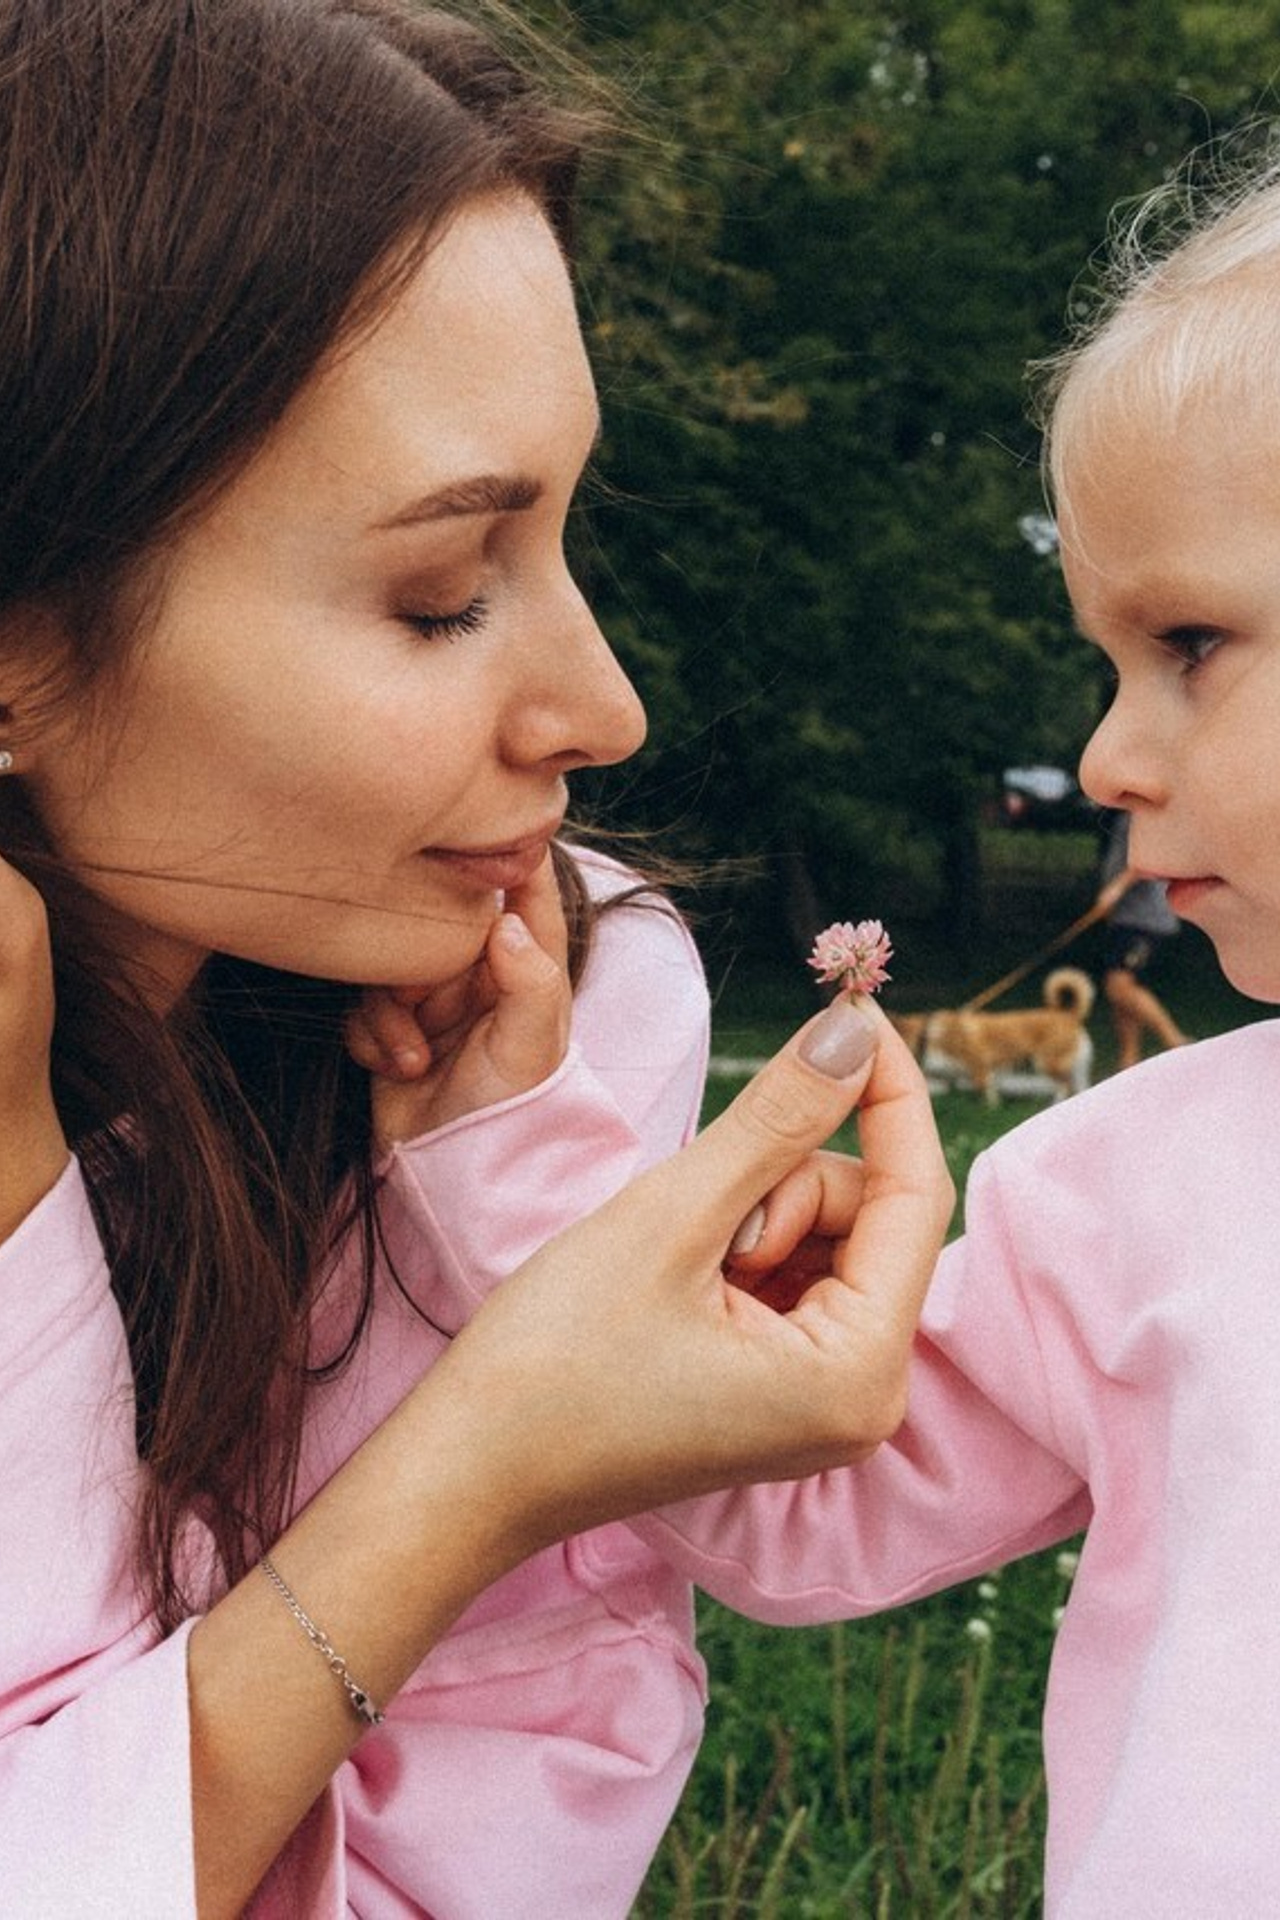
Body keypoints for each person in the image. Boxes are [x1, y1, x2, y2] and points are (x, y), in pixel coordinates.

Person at [0, 6, 956, 1915]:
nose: (604, 706)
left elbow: (495, 1857)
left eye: (571, 537)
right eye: (443, 599)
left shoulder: (550, 1044)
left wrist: (521, 1376)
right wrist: (485, 1455)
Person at [628, 148, 1280, 1914]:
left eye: (1193, 644)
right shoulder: (1121, 1187)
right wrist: (694, 1315)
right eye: (1110, 659)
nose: (1104, 760)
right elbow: (807, 1512)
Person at [1095, 807, 1189, 1067]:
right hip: (1125, 917)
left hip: (1144, 918)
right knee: (1121, 993)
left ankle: (1176, 1042)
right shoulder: (1126, 815)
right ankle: (1129, 1061)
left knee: (1119, 986)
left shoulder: (1141, 815)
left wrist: (1115, 889)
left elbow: (1145, 860)